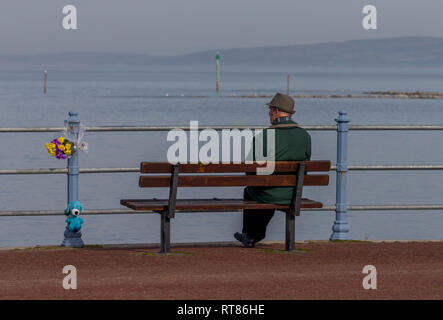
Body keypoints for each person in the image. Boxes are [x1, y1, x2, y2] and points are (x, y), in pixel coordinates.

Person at [234, 92, 311, 247]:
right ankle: (254, 235)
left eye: (270, 109)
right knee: (267, 188)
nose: (268, 113)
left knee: (253, 190)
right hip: (293, 194)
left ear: (276, 111)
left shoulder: (266, 135)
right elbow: (305, 168)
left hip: (270, 194)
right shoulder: (304, 136)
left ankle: (251, 235)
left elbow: (250, 170)